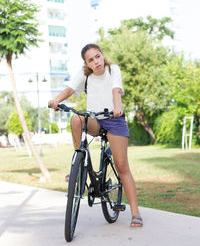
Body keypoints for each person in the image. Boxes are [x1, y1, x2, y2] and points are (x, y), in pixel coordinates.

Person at [48, 43, 143, 227]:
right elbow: (69, 89)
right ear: (87, 63)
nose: (96, 61)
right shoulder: (84, 74)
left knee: (122, 166)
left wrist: (118, 106)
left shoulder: (112, 69)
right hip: (95, 120)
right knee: (76, 120)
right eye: (91, 60)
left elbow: (116, 89)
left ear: (102, 55)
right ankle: (79, 164)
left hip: (114, 119)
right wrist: (56, 100)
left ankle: (135, 213)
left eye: (98, 56)